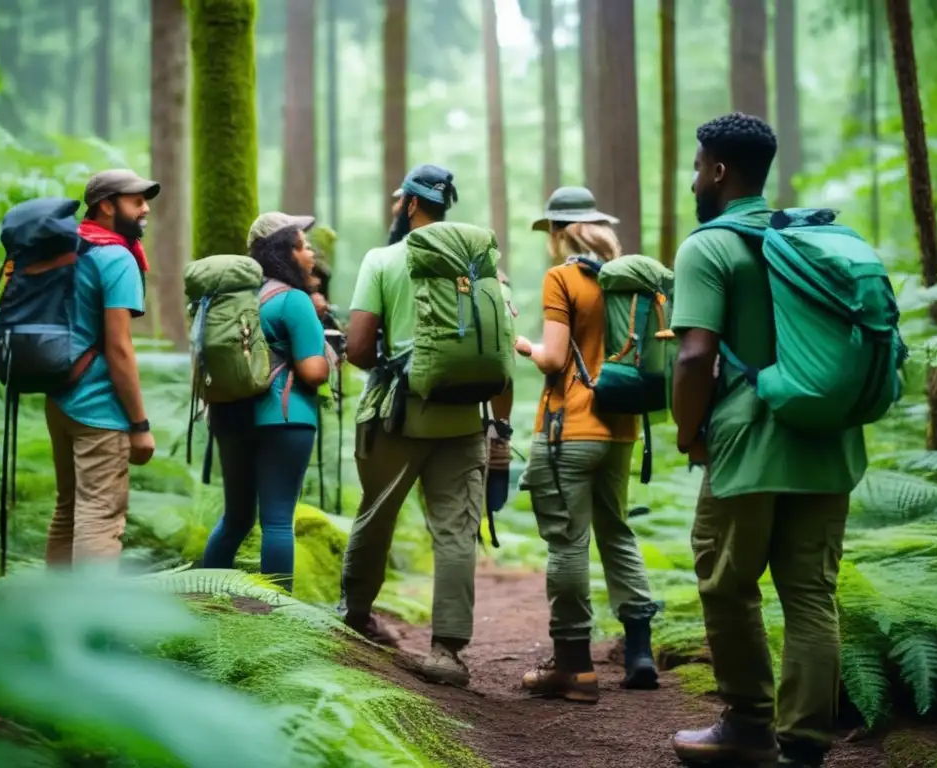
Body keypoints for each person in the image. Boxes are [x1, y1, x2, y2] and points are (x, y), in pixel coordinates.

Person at [669, 113, 867, 768]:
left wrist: (686, 430)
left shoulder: (709, 246)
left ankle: (748, 724)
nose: (695, 178)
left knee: (727, 581)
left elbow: (694, 357)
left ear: (719, 171)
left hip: (750, 443)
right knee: (811, 593)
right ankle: (805, 745)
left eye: (698, 166)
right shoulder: (810, 240)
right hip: (829, 441)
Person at [341, 164, 495, 688]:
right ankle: (447, 652)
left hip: (399, 417)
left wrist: (391, 365)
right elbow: (493, 346)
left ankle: (354, 616)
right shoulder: (477, 265)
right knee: (455, 532)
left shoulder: (382, 260)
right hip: (465, 417)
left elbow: (359, 347)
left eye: (395, 200)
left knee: (377, 514)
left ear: (410, 204)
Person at [513, 186, 659, 704]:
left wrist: (525, 344)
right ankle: (640, 651)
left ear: (559, 231)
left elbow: (554, 359)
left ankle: (574, 668)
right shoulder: (634, 282)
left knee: (569, 542)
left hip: (569, 428)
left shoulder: (563, 277)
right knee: (617, 532)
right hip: (621, 429)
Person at [201, 214, 330, 592]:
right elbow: (314, 373)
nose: (312, 253)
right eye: (304, 245)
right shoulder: (293, 300)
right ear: (285, 251)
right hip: (285, 418)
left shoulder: (229, 299)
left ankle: (208, 604)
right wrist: (322, 342)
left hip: (229, 416)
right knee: (276, 522)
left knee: (236, 519)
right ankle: (275, 618)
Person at [43, 169, 159, 566]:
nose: (145, 209)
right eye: (136, 200)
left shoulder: (67, 247)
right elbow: (119, 348)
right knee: (99, 516)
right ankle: (93, 624)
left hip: (59, 397)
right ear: (106, 206)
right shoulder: (115, 257)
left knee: (68, 509)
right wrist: (140, 426)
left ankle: (54, 616)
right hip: (99, 408)